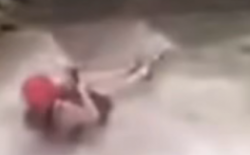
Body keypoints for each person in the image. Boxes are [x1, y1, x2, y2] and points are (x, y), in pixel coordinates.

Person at [21, 53, 164, 142]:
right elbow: (93, 116)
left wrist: (72, 79)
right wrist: (82, 90)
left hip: (82, 110)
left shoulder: (53, 108)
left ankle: (131, 71)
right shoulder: (63, 111)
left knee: (88, 81)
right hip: (95, 113)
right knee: (99, 87)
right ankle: (139, 73)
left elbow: (63, 86)